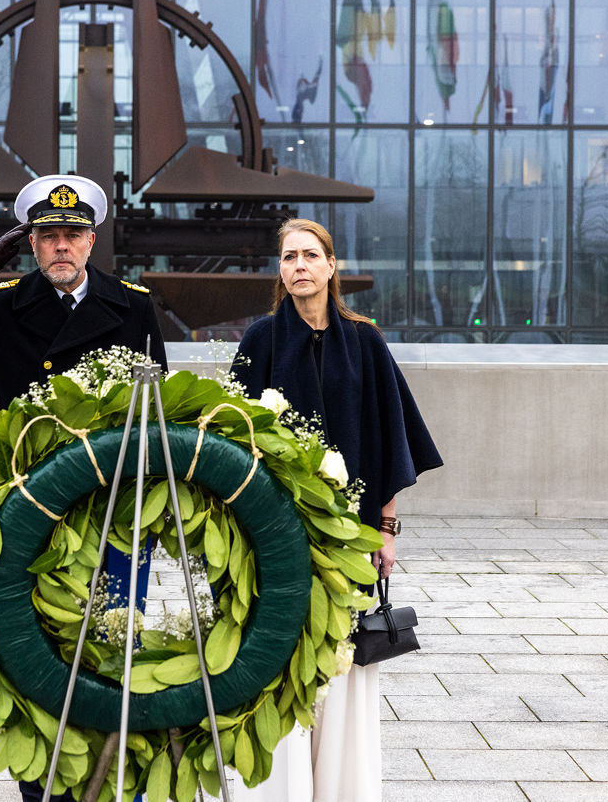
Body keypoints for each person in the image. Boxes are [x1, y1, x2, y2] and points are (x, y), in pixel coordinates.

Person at [0, 173, 166, 802]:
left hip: (113, 508)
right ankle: (42, 785)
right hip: (32, 506)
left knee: (112, 644)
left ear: (92, 239)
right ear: (30, 244)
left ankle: (114, 780)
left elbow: (158, 410)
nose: (62, 248)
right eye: (48, 236)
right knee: (35, 651)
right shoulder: (3, 304)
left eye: (73, 235)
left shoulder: (133, 305)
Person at [229, 217, 442, 802]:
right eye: (289, 256)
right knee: (280, 653)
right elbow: (231, 442)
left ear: (330, 267)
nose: (299, 265)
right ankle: (282, 789)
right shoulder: (259, 342)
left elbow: (389, 439)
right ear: (280, 270)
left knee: (344, 660)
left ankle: (342, 789)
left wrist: (386, 529)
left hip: (350, 534)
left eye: (309, 255)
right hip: (276, 534)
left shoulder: (366, 341)